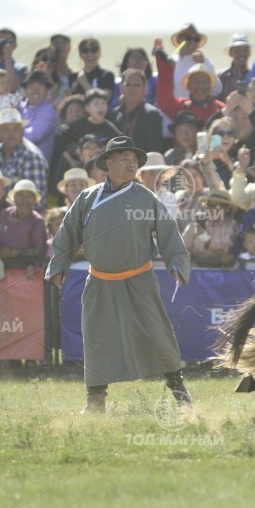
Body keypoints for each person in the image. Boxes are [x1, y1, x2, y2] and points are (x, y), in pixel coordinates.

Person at [46, 136, 193, 414]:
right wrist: (59, 265)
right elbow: (66, 234)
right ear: (109, 163)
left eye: (134, 160)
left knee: (158, 334)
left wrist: (177, 263)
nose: (131, 164)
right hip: (99, 280)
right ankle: (95, 401)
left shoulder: (145, 197)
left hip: (139, 280)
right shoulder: (88, 198)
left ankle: (180, 394)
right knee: (96, 338)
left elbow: (168, 232)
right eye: (125, 159)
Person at [0, 108, 49, 200]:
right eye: (6, 130)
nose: (11, 134)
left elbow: (37, 200)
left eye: (15, 129)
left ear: (22, 131)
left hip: (22, 209)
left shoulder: (32, 157)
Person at [0, 179, 47, 261]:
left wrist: (15, 253)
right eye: (20, 196)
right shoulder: (5, 214)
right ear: (14, 198)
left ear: (34, 200)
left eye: (29, 196)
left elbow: (40, 250)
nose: (24, 200)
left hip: (27, 265)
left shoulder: (37, 221)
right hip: (0, 262)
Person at [182, 188, 240, 268]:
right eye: (211, 204)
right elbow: (183, 248)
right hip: (195, 269)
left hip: (221, 270)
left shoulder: (232, 225)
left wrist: (203, 236)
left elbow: (222, 250)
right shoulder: (196, 222)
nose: (214, 209)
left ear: (227, 208)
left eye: (219, 205)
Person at [111, 68, 164, 154]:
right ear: (121, 88)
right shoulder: (115, 114)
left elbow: (155, 149)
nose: (132, 89)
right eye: (128, 84)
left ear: (144, 89)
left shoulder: (152, 115)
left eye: (137, 85)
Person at [168, 23, 216, 100]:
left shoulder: (205, 62)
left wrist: (203, 63)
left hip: (196, 106)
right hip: (172, 106)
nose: (192, 42)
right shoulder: (170, 61)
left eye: (196, 39)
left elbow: (216, 90)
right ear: (179, 40)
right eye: (188, 38)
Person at [20, 71, 60, 162]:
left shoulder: (49, 112)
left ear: (47, 91)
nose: (35, 90)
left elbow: (32, 137)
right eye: (31, 87)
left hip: (35, 165)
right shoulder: (19, 107)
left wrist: (5, 130)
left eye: (40, 87)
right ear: (25, 91)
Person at [217, 33, 253, 100]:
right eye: (237, 50)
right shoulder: (222, 76)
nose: (242, 53)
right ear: (230, 53)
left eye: (245, 50)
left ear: (249, 52)